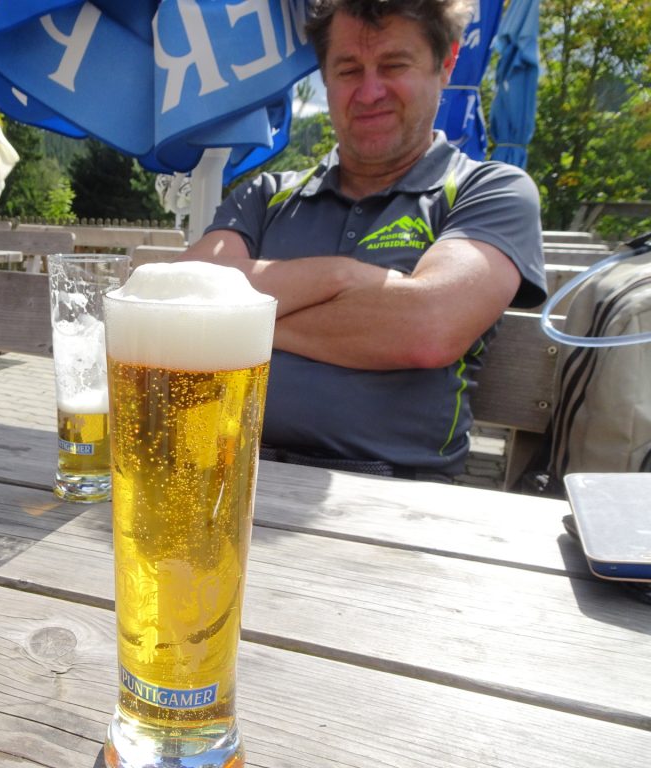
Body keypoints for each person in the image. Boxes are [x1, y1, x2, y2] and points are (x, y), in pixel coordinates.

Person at [183, 0, 546, 481]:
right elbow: (183, 297)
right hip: (227, 472)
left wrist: (236, 316)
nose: (370, 91)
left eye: (394, 65)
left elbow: (429, 327)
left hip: (395, 492)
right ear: (326, 78)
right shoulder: (265, 195)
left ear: (446, 63)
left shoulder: (492, 190)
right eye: (349, 69)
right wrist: (343, 279)